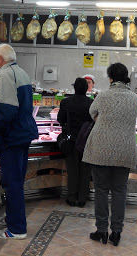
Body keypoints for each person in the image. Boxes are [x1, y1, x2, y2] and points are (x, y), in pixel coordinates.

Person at [83, 63, 137, 247]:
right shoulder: (134, 98)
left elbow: (92, 112)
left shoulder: (103, 95)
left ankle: (101, 230)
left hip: (101, 148)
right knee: (119, 191)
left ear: (111, 78)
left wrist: (104, 121)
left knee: (101, 190)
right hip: (124, 149)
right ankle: (116, 232)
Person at [0, 44, 38, 240]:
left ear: (1, 59)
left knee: (13, 183)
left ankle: (17, 228)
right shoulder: (20, 71)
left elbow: (7, 109)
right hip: (22, 134)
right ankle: (12, 217)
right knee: (14, 180)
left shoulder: (5, 74)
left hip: (13, 136)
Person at [57, 77, 93, 208]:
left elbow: (60, 119)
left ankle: (71, 197)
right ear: (86, 89)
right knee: (85, 170)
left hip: (71, 141)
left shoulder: (66, 102)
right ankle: (82, 198)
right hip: (86, 142)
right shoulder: (91, 103)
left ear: (74, 88)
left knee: (72, 170)